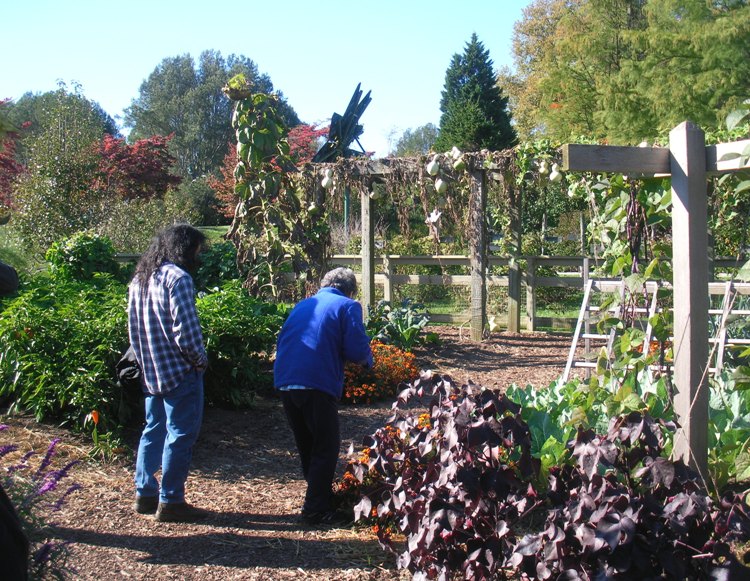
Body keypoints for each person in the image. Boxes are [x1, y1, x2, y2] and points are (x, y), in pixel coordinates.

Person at [274, 267, 373, 526]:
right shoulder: (348, 306)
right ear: (350, 290)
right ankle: (315, 510)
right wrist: (368, 362)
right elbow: (356, 349)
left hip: (286, 380)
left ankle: (319, 498)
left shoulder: (303, 304)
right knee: (326, 447)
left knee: (307, 444)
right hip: (316, 381)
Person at [128, 224, 209, 523]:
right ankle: (172, 500)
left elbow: (133, 329)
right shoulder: (178, 279)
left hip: (151, 369)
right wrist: (199, 361)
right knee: (180, 435)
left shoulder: (139, 278)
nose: (197, 257)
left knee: (153, 430)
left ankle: (144, 493)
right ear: (184, 250)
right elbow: (186, 332)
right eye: (196, 251)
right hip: (179, 370)